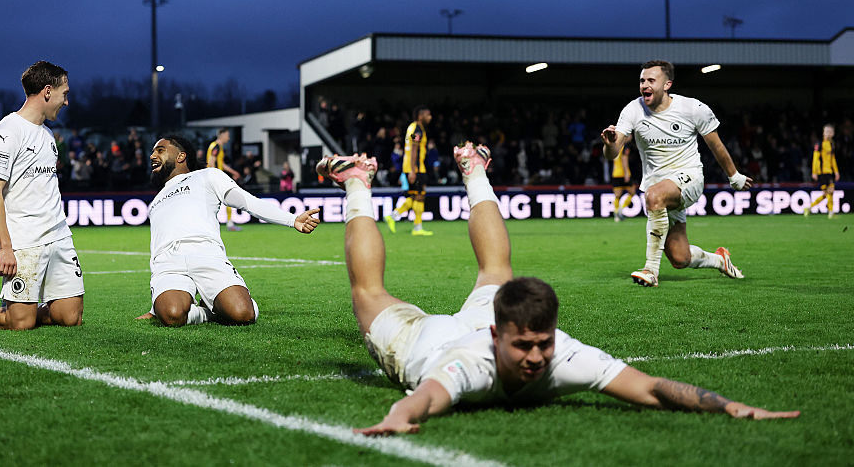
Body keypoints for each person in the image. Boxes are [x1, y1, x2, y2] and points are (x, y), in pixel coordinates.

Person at [316, 144, 799, 434]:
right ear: (497, 336)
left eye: (541, 344)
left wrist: (729, 405)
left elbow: (650, 388)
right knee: (368, 294)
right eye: (522, 346)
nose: (534, 357)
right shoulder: (468, 365)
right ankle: (358, 182)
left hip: (482, 320)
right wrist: (399, 417)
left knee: (497, 272)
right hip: (424, 343)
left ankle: (476, 170)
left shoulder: (561, 353)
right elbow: (425, 398)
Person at [137, 135, 320, 327]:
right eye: (152, 151)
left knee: (243, 314)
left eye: (160, 150)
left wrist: (291, 219)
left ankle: (218, 305)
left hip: (207, 254)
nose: (152, 156)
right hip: (169, 262)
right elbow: (156, 248)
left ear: (181, 156)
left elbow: (247, 202)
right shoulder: (155, 201)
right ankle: (207, 312)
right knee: (171, 315)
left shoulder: (207, 176)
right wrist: (155, 306)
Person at [601, 60, 752, 287]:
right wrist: (610, 143)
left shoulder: (693, 109)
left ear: (667, 84)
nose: (645, 85)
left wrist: (735, 176)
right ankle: (719, 260)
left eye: (651, 80)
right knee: (680, 258)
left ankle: (650, 270)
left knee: (653, 196)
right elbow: (612, 153)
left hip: (689, 178)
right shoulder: (633, 110)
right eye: (642, 80)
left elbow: (717, 146)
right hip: (660, 187)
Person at [0, 61, 83, 330]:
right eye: (64, 93)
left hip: (59, 237)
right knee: (21, 324)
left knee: (71, 318)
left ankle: (30, 306)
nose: (66, 101)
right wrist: (6, 248)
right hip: (26, 241)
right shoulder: (8, 130)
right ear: (47, 91)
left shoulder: (47, 135)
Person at [385, 105, 433, 235]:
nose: (430, 117)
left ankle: (394, 216)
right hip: (415, 168)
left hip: (411, 167)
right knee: (419, 196)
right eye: (427, 115)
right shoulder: (417, 129)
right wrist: (413, 170)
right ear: (420, 116)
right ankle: (417, 227)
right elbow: (414, 149)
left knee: (415, 195)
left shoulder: (412, 127)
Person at [207, 128, 242, 231]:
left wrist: (233, 172)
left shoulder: (218, 147)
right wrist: (213, 176)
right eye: (227, 135)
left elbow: (221, 163)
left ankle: (229, 223)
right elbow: (211, 161)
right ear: (221, 135)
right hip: (215, 178)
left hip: (216, 177)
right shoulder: (216, 146)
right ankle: (229, 224)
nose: (229, 137)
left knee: (225, 198)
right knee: (227, 197)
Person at [805, 123, 840, 219]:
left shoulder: (831, 144)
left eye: (830, 132)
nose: (829, 133)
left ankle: (809, 207)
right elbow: (815, 159)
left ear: (833, 134)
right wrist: (814, 172)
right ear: (824, 133)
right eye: (827, 131)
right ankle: (831, 212)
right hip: (822, 172)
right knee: (830, 191)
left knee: (827, 194)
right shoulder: (819, 144)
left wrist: (836, 171)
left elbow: (833, 159)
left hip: (829, 171)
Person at [610, 138, 640, 222]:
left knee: (617, 196)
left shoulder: (615, 147)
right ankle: (621, 209)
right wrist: (626, 173)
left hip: (615, 173)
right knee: (632, 192)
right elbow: (624, 159)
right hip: (623, 173)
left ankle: (616, 214)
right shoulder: (625, 147)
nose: (630, 137)